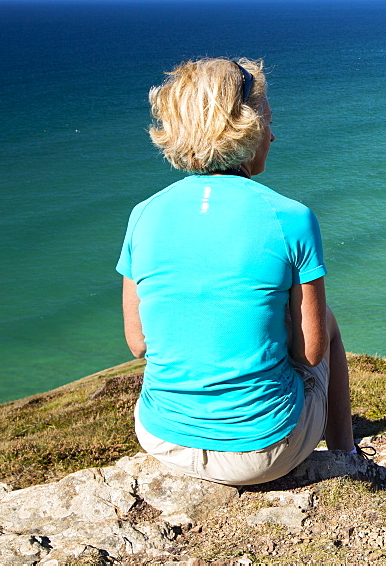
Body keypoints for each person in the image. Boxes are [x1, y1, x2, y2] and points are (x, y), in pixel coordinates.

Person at [117, 57, 355, 486]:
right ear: (246, 127)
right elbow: (311, 354)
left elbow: (138, 344)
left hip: (161, 438)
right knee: (328, 324)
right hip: (261, 452)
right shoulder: (291, 217)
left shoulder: (143, 214)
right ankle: (346, 456)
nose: (273, 133)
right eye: (267, 119)